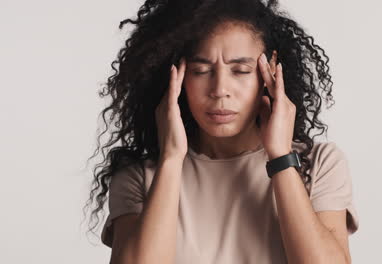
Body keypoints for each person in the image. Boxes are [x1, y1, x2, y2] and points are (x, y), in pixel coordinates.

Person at [83, 0, 359, 263]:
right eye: (201, 70)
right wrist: (171, 159)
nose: (219, 91)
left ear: (270, 69)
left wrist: (281, 158)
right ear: (176, 74)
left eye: (240, 70)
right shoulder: (139, 176)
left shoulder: (318, 164)